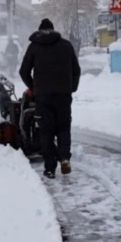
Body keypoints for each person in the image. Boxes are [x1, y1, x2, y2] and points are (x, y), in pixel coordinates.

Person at [19, 19, 81, 179]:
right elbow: (76, 70)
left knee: (46, 131)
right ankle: (65, 158)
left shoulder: (34, 46)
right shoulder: (66, 45)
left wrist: (34, 87)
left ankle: (49, 168)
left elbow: (23, 71)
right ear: (53, 30)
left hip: (43, 97)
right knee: (63, 128)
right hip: (63, 96)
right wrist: (71, 87)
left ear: (40, 31)